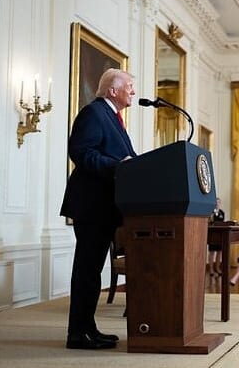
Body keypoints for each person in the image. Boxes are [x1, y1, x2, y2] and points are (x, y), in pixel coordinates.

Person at [60, 68, 137, 349]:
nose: (133, 91)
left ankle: (88, 328)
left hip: (105, 206)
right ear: (112, 90)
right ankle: (78, 333)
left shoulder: (113, 117)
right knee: (87, 270)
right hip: (91, 204)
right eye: (129, 85)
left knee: (93, 271)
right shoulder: (94, 113)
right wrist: (120, 166)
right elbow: (81, 152)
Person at [208, 198, 225, 277]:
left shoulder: (222, 212)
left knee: (219, 252)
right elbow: (210, 222)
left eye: (219, 202)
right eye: (216, 202)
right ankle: (211, 269)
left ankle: (217, 268)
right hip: (212, 234)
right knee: (212, 252)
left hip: (220, 234)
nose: (217, 204)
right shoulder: (210, 212)